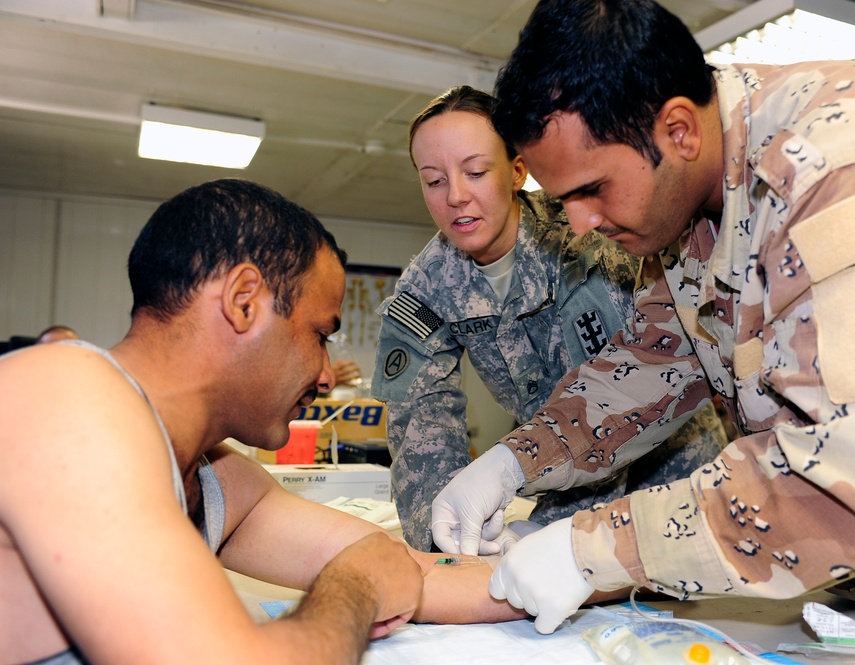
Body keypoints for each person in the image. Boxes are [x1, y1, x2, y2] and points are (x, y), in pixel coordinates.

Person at [432, 0, 855, 637]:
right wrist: (512, 463)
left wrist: (595, 551)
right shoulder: (686, 199)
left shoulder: (847, 173)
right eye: (563, 199)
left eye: (591, 189)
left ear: (679, 130)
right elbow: (650, 368)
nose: (580, 222)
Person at [0, 179, 527, 665]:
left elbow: (407, 570)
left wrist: (590, 559)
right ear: (243, 301)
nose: (326, 375)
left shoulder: (213, 481)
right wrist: (354, 590)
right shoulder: (65, 399)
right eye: (319, 335)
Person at [371, 85, 727, 551]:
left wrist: (545, 531)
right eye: (434, 180)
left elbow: (615, 396)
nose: (456, 196)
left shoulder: (588, 239)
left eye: (476, 172)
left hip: (675, 487)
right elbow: (420, 427)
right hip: (552, 468)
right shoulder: (426, 287)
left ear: (517, 171)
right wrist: (449, 538)